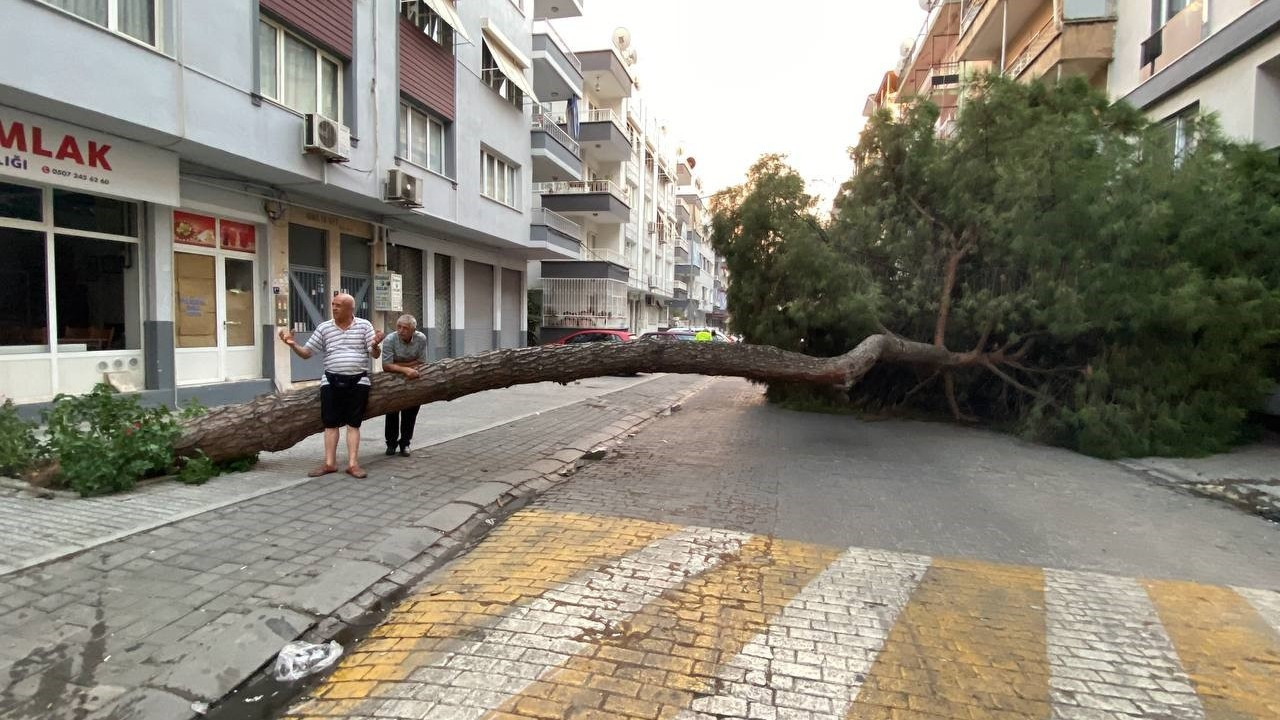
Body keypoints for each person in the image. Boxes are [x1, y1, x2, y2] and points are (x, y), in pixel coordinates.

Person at [278, 293, 384, 479]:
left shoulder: (364, 325)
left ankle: (353, 464)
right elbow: (306, 353)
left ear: (350, 309)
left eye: (339, 305)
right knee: (330, 423)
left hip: (358, 380)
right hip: (331, 381)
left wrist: (376, 345)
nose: (334, 308)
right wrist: (293, 344)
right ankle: (329, 463)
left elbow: (374, 354)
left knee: (353, 424)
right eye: (333, 304)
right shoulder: (324, 328)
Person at [381, 314, 428, 457]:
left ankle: (405, 443)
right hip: (393, 380)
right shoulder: (390, 340)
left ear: (413, 330)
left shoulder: (421, 339)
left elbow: (422, 362)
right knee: (392, 412)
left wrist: (397, 364)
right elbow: (386, 366)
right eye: (398, 327)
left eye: (405, 328)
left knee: (410, 413)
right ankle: (391, 444)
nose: (401, 330)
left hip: (414, 380)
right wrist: (406, 368)